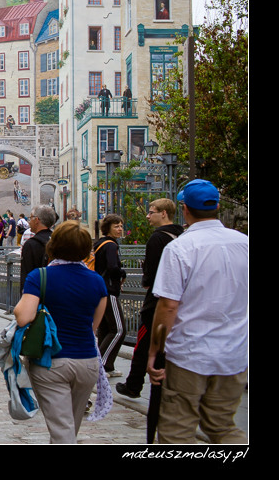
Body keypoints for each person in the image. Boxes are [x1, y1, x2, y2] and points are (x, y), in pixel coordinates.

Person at [147, 180, 248, 444]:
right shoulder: (244, 243)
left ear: (184, 209)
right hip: (234, 353)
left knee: (176, 430)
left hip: (190, 353)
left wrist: (155, 351)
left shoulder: (181, 248)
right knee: (223, 426)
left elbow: (168, 305)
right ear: (216, 205)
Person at [14, 221, 108, 444]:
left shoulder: (39, 277)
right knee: (69, 428)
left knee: (62, 430)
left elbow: (23, 317)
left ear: (53, 246)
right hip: (86, 361)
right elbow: (94, 326)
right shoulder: (97, 281)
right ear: (86, 250)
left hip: (51, 361)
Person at [117, 199, 184, 399]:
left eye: (151, 212)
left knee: (143, 341)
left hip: (157, 298)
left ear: (164, 213)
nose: (148, 216)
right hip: (179, 297)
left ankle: (134, 384)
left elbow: (153, 271)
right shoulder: (181, 235)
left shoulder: (157, 238)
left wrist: (147, 279)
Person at [94, 214, 127, 377]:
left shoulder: (99, 244)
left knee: (105, 329)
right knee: (119, 329)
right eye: (116, 226)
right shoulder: (111, 246)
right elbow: (113, 267)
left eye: (121, 226)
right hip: (109, 290)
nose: (120, 229)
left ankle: (107, 365)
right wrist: (122, 272)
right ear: (107, 228)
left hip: (99, 290)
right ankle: (101, 365)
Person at [19, 205, 56, 287]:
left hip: (37, 293)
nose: (29, 221)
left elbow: (27, 275)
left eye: (30, 218)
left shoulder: (31, 244)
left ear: (37, 220)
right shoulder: (57, 240)